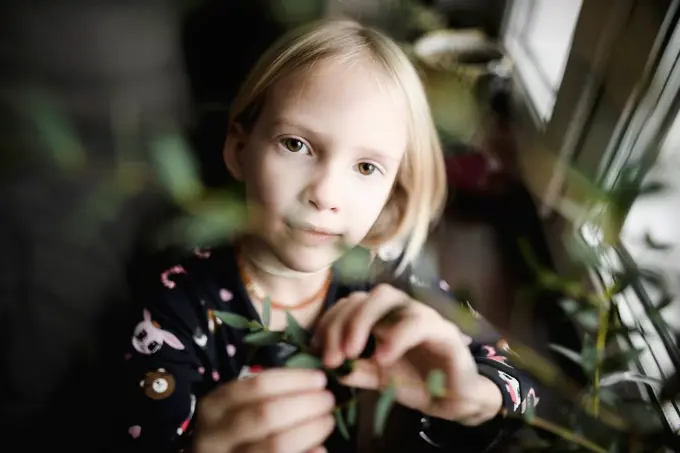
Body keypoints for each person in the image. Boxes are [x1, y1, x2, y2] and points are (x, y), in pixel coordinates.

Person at [114, 19, 538, 453]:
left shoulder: (390, 278)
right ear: (240, 150)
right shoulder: (175, 306)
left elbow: (522, 386)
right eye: (296, 144)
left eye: (367, 167)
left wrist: (471, 396)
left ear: (393, 190)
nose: (325, 194)